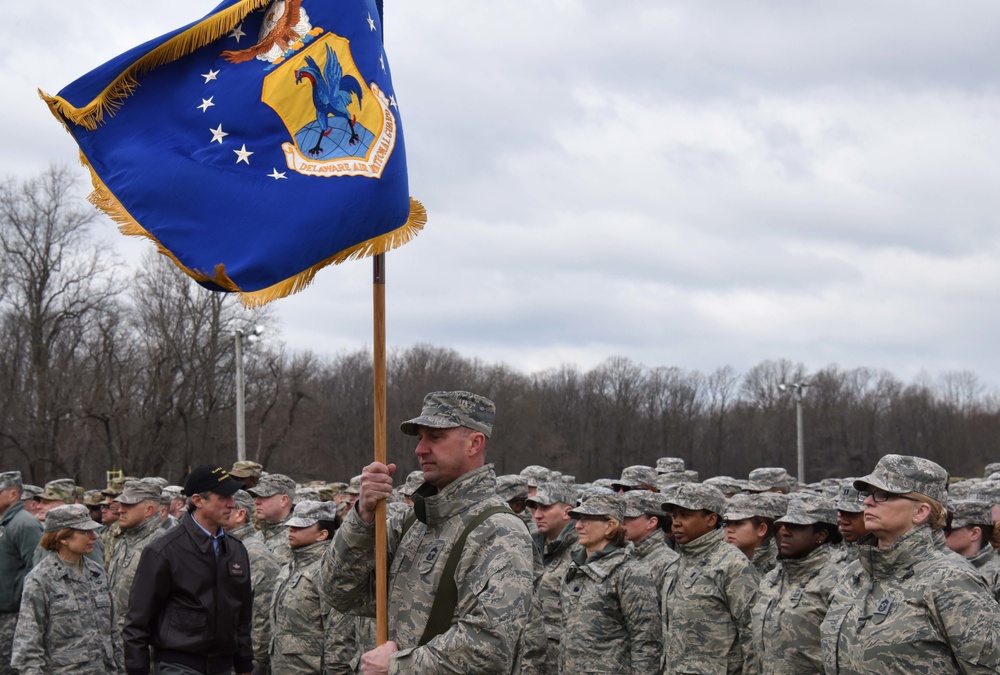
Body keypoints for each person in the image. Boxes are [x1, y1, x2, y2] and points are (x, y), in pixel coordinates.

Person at [320, 390, 535, 674]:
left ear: (474, 443)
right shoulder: (412, 523)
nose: (420, 450)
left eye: (435, 437)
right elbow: (338, 591)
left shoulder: (499, 532)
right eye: (420, 438)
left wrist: (396, 667)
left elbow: (489, 648)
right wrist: (363, 518)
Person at [821, 454, 1000, 672]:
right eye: (868, 494)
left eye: (883, 494)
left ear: (921, 512)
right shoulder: (854, 574)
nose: (867, 501)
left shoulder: (951, 581)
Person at [123, 465, 253, 675]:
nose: (231, 504)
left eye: (232, 497)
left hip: (222, 666)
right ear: (199, 500)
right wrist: (138, 670)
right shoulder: (164, 551)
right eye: (223, 497)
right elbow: (137, 622)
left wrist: (244, 664)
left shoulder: (236, 549)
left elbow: (242, 615)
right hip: (179, 665)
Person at [10, 504, 124, 674]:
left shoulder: (97, 572)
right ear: (63, 537)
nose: (94, 536)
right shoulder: (40, 579)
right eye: (85, 532)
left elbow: (113, 633)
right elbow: (27, 648)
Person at [559, 493, 662, 674]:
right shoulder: (575, 569)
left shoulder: (630, 573)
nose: (578, 525)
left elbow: (646, 641)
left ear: (610, 526)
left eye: (588, 519)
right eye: (578, 519)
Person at [662, 483, 759, 674]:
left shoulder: (732, 564)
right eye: (674, 516)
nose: (676, 522)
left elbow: (752, 634)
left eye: (685, 515)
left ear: (711, 519)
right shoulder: (676, 564)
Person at [751, 494, 842, 674]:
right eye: (784, 525)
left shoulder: (838, 579)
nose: (785, 531)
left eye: (796, 526)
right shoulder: (773, 577)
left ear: (821, 535)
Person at [269, 500, 354, 674]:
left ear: (322, 534)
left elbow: (339, 636)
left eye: (300, 526)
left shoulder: (328, 572)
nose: (291, 529)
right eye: (291, 524)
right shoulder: (289, 568)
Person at [525, 481, 580, 672]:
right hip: (529, 660)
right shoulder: (529, 545)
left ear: (567, 512)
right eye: (535, 507)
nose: (537, 515)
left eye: (546, 508)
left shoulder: (581, 554)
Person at [226, 489, 279, 675]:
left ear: (240, 515)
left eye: (226, 509)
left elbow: (262, 617)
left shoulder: (253, 554)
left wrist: (253, 663)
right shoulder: (225, 546)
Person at [0, 471, 44, 675]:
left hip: (16, 614)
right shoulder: (7, 523)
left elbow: (36, 568)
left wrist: (23, 604)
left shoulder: (25, 524)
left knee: (12, 668)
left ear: (13, 495)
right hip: (5, 612)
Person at [107, 480, 165, 631]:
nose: (120, 510)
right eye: (121, 504)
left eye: (129, 505)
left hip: (144, 642)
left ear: (149, 510)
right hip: (118, 639)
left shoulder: (163, 545)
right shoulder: (123, 542)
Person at [945, 498, 1000, 602]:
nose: (940, 535)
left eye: (947, 530)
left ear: (974, 533)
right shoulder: (937, 566)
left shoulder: (996, 573)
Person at [248, 473, 296, 565]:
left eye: (263, 496)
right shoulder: (256, 537)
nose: (256, 501)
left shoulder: (296, 538)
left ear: (283, 500)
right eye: (256, 496)